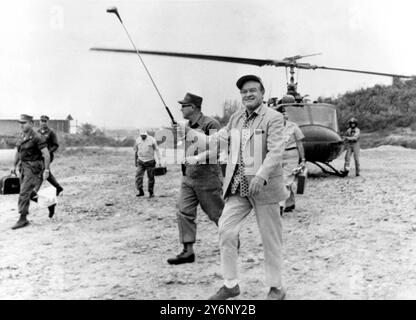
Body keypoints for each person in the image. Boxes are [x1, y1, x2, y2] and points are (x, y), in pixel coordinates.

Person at [175, 75, 289, 300]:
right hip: (238, 188)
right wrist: (187, 133)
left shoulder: (273, 118)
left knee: (270, 239)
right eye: (244, 91)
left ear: (262, 93)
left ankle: (276, 288)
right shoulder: (236, 118)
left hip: (263, 188)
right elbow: (215, 140)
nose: (248, 94)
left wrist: (261, 175)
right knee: (226, 230)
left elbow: (276, 150)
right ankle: (230, 285)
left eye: (252, 90)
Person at [167, 92, 224, 265]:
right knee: (184, 211)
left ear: (193, 107)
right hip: (189, 176)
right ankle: (188, 251)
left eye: (184, 106)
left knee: (217, 214)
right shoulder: (186, 126)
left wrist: (197, 158)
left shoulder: (211, 124)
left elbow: (216, 150)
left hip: (207, 177)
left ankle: (231, 241)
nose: (181, 109)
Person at [10, 114, 54, 229]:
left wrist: (47, 170)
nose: (21, 126)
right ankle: (50, 202)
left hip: (34, 168)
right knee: (29, 193)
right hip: (23, 167)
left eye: (24, 123)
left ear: (31, 124)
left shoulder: (37, 137)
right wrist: (14, 166)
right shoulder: (22, 136)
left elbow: (46, 154)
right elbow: (18, 152)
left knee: (24, 192)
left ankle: (23, 219)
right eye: (20, 123)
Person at [276, 104, 306, 214]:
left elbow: (300, 143)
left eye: (284, 113)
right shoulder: (275, 128)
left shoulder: (293, 127)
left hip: (292, 155)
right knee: (285, 179)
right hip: (279, 156)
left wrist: (303, 159)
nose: (284, 115)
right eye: (281, 114)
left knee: (285, 179)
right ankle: (290, 203)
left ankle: (280, 206)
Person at [38, 115, 64, 196]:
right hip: (39, 156)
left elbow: (56, 145)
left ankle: (35, 190)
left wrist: (48, 152)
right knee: (46, 172)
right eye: (41, 121)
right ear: (39, 121)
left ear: (47, 122)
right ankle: (58, 188)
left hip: (48, 156)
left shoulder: (51, 132)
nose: (43, 123)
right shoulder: (37, 132)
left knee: (42, 171)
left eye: (45, 121)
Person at [134, 129, 162, 198]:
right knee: (138, 176)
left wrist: (159, 161)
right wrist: (135, 161)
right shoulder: (137, 140)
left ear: (146, 134)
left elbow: (157, 150)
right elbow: (136, 151)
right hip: (140, 161)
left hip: (150, 161)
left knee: (151, 177)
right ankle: (140, 191)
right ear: (140, 135)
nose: (143, 136)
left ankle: (151, 192)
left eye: (144, 135)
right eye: (141, 135)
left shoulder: (152, 140)